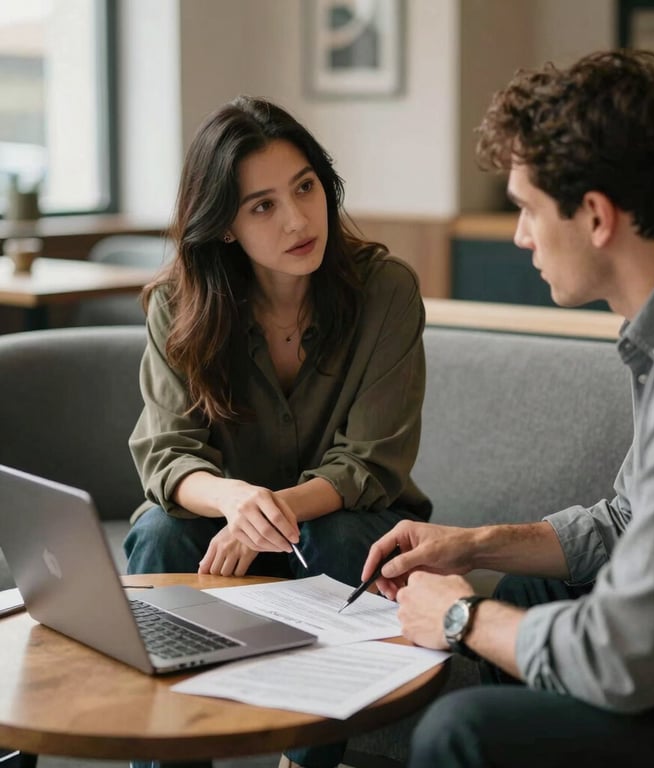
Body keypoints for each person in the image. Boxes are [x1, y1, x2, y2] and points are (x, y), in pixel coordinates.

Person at [361, 50, 654, 768]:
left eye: (527, 208)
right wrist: (470, 543)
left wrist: (460, 617)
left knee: (459, 733)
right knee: (531, 584)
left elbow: (629, 658)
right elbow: (627, 518)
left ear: (597, 215)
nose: (520, 236)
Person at [123, 95, 431, 768]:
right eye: (262, 205)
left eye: (305, 187)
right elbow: (167, 453)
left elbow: (371, 463)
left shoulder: (387, 292)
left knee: (347, 536)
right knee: (156, 531)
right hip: (217, 533)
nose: (297, 218)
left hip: (334, 529)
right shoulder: (180, 303)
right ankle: (169, 753)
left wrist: (276, 510)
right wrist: (237, 502)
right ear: (225, 226)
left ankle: (306, 759)